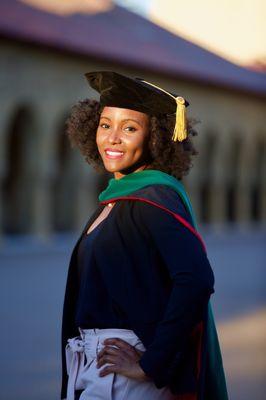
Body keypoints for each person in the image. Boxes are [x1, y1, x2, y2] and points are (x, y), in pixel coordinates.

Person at [60, 71, 228, 400]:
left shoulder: (153, 199)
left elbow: (195, 280)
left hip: (122, 381)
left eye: (130, 128)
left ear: (154, 138)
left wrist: (151, 365)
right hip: (95, 370)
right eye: (106, 125)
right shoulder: (116, 200)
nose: (112, 138)